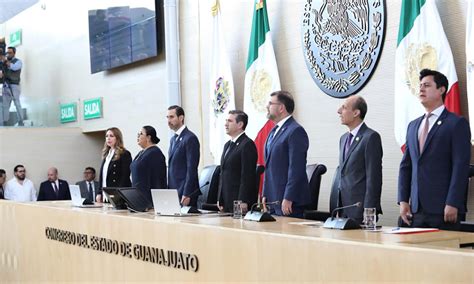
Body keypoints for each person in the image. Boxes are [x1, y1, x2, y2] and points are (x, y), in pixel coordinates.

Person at [398, 69, 471, 230]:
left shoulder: (456, 123)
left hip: (444, 209)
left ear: (441, 90)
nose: (421, 89)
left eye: (427, 85)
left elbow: (460, 166)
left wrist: (452, 202)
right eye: (420, 86)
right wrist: (403, 201)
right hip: (416, 210)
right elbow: (406, 166)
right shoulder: (413, 125)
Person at [330, 95, 383, 224]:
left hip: (361, 210)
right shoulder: (343, 139)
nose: (338, 111)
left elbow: (374, 177)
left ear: (356, 113)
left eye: (343, 107)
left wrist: (369, 210)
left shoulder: (370, 137)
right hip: (343, 209)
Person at [262, 91, 310, 217]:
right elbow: (269, 167)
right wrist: (265, 194)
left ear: (281, 108)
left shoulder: (295, 131)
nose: (267, 106)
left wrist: (289, 197)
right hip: (273, 200)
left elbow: (296, 168)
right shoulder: (273, 131)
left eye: (270, 103)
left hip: (288, 202)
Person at [217, 110, 258, 213]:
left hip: (238, 201)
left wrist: (242, 200)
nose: (226, 124)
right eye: (226, 120)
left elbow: (247, 176)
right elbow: (223, 173)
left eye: (230, 121)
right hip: (226, 200)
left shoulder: (247, 144)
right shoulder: (227, 145)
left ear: (240, 124)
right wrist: (220, 198)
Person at [167, 105, 200, 207]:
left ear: (181, 118)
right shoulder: (173, 139)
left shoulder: (190, 138)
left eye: (171, 117)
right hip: (174, 191)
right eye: (167, 117)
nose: (168, 120)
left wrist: (187, 192)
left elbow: (192, 168)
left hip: (185, 192)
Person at [131, 125, 167, 203]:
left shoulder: (155, 153)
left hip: (148, 199)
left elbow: (157, 180)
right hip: (138, 197)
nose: (138, 136)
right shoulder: (142, 152)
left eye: (140, 134)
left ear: (148, 137)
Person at [99, 127, 132, 201]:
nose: (108, 138)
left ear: (117, 138)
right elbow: (102, 176)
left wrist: (118, 194)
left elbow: (125, 176)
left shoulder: (124, 153)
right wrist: (99, 192)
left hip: (117, 194)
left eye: (111, 136)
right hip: (105, 193)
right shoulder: (106, 154)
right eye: (107, 136)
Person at [1, 47, 24, 126]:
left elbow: (14, 68)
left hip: (14, 86)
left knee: (17, 103)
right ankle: (5, 122)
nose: (8, 54)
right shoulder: (4, 62)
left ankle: (21, 121)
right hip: (5, 86)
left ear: (14, 53)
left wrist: (6, 61)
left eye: (10, 52)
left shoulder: (18, 62)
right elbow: (3, 73)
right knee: (5, 105)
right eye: (7, 52)